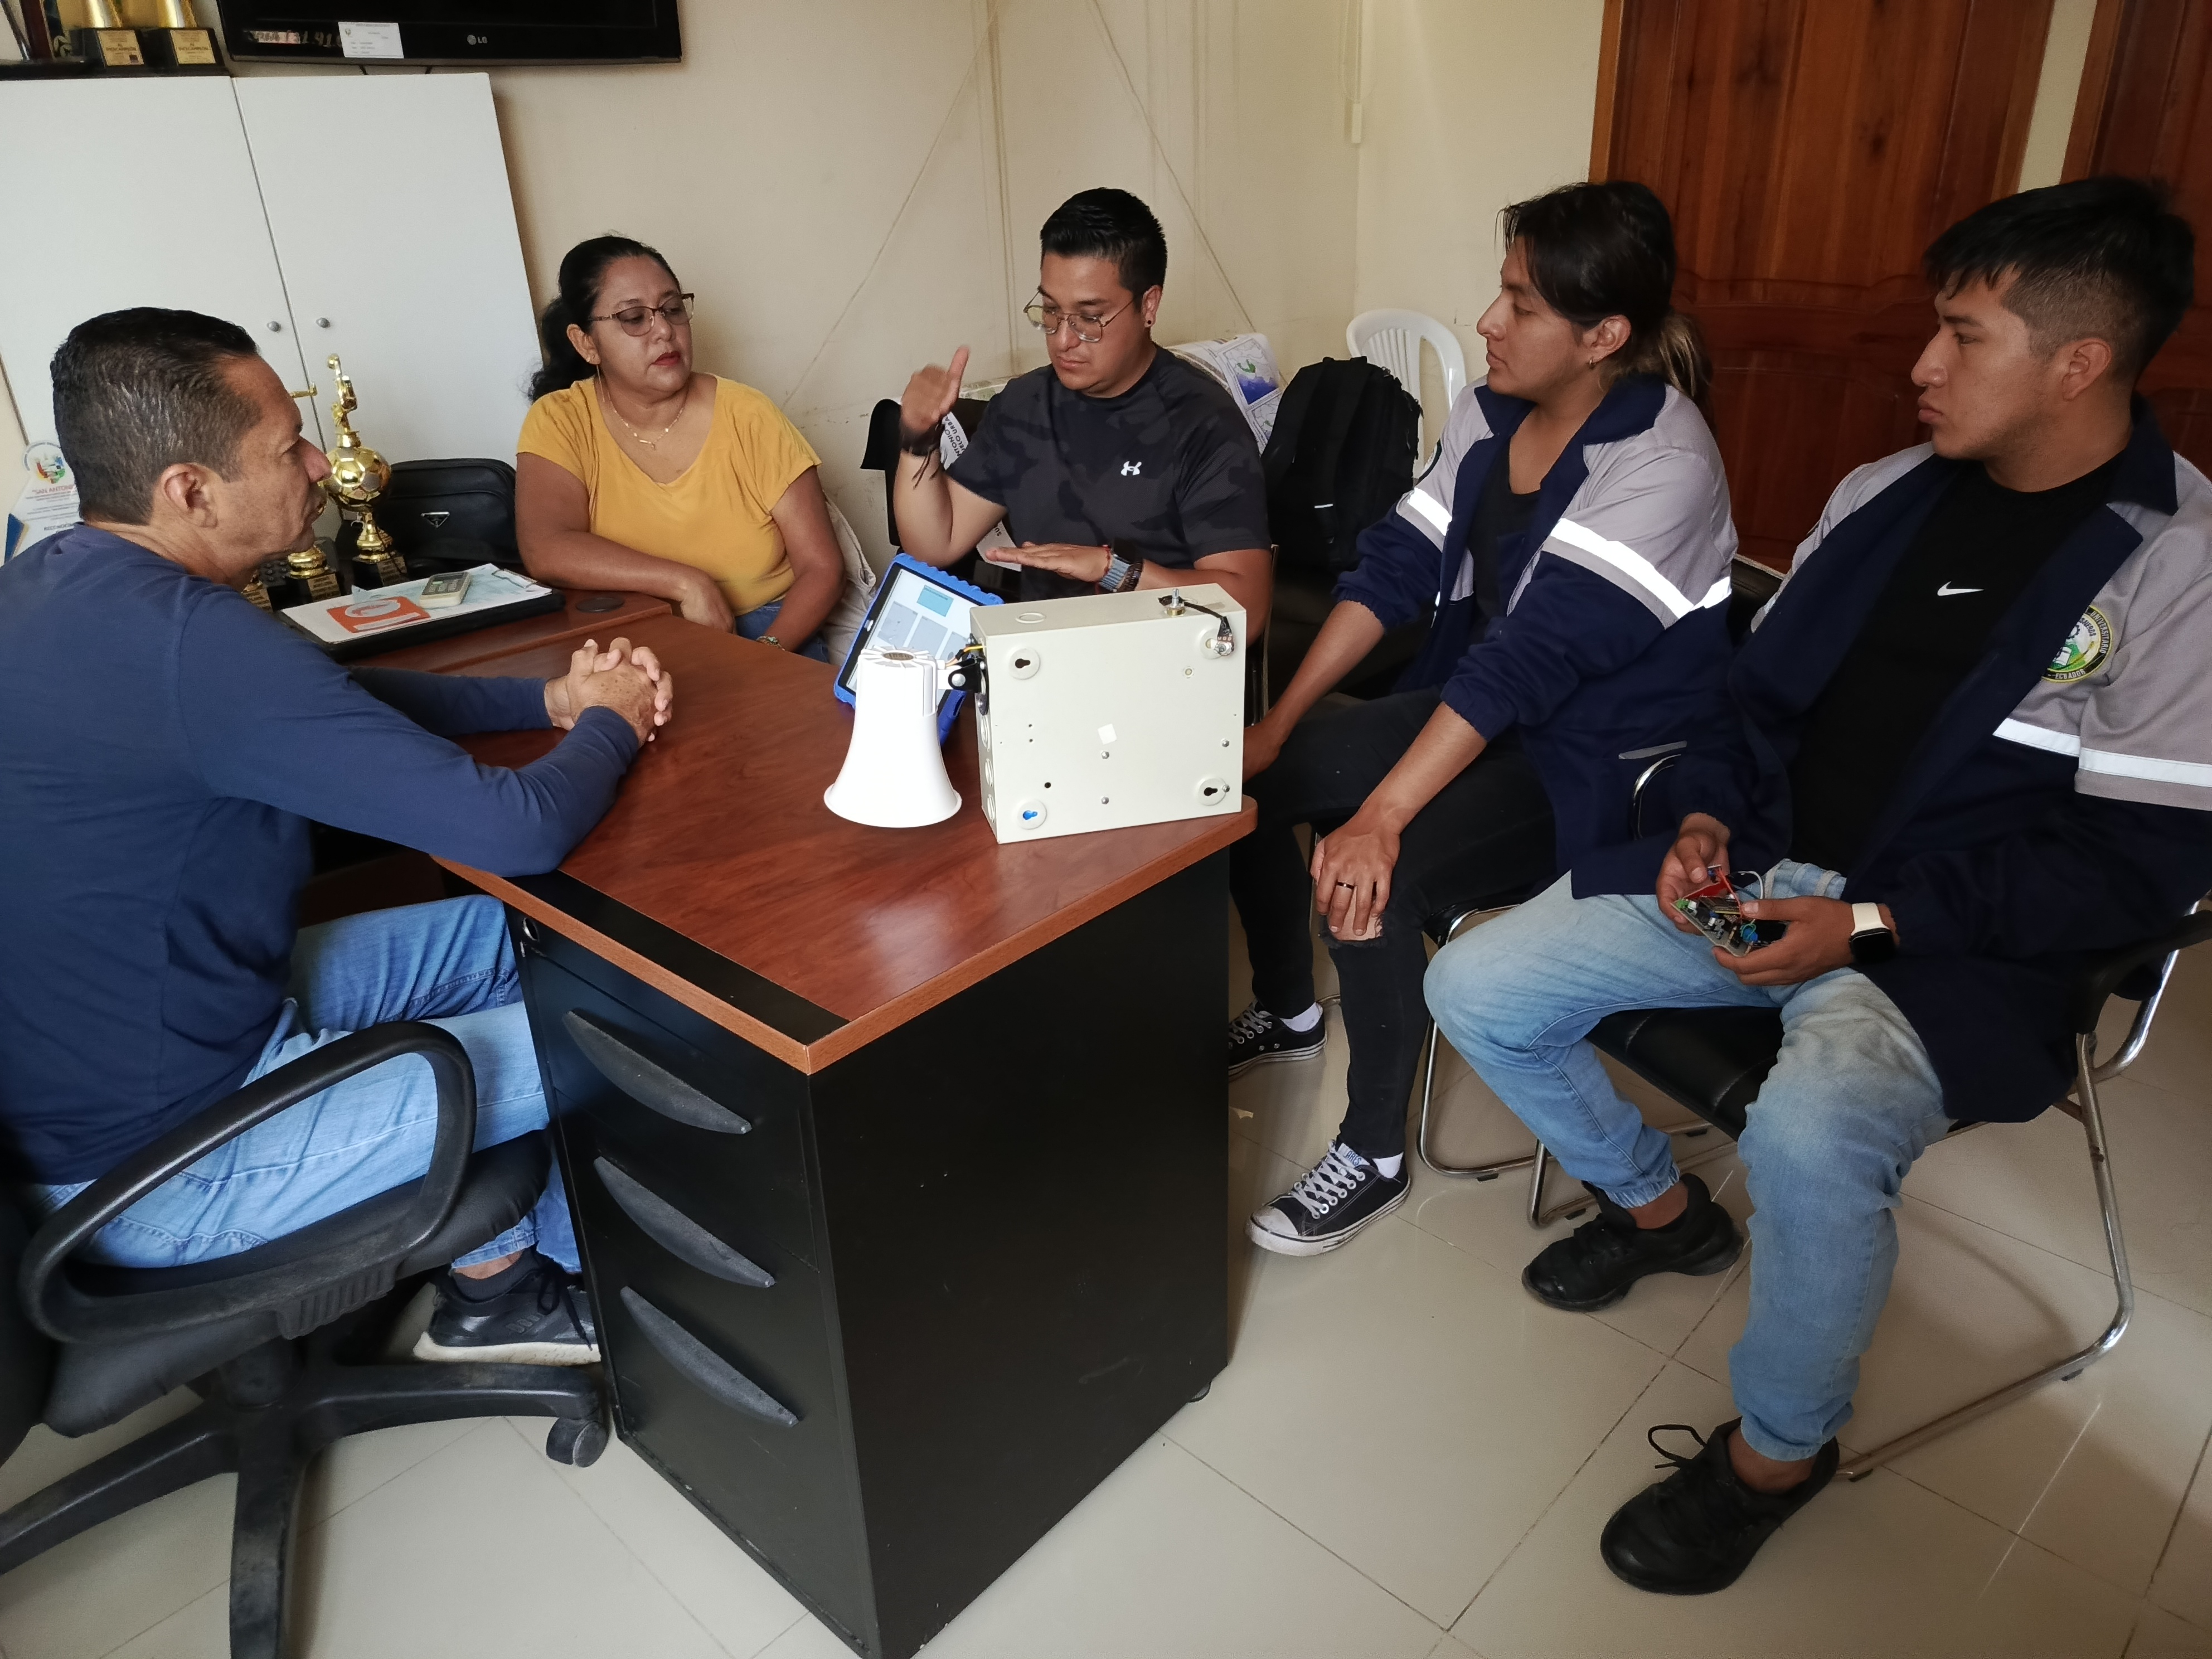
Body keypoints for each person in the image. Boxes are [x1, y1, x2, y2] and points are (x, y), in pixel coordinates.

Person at [1425, 177, 2211, 1593]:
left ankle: (1776, 1456)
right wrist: (1701, 812)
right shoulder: (1883, 494)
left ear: (2077, 363)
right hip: (1764, 874)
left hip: (1941, 942)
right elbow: (1747, 706)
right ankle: (1662, 1213)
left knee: (1805, 1132)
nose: (1920, 365)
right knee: (1472, 983)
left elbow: (2135, 869)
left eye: (1961, 336)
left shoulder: (2176, 572)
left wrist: (1864, 924)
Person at [0, 308, 676, 1364]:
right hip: (156, 1171)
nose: (321, 464)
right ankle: (535, 1292)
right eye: (288, 449)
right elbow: (517, 829)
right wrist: (612, 722)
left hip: (184, 1030)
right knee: (624, 1037)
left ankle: (494, 1278)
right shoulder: (189, 640)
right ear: (190, 491)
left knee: (556, 948)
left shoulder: (54, 578)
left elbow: (325, 698)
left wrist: (547, 700)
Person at [1232, 181, 1739, 1256]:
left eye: (1520, 304)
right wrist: (1277, 723)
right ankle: (1288, 1007)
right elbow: (1395, 568)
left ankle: (1372, 1153)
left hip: (1598, 764)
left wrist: (1380, 816)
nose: (1486, 321)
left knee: (1375, 869)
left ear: (1603, 334)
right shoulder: (1489, 410)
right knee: (1254, 777)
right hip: (1493, 710)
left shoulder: (1662, 461)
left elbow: (1534, 657)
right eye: (1499, 290)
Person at [890, 187, 1272, 625]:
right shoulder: (1024, 405)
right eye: (1051, 311)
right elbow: (935, 545)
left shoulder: (1202, 424)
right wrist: (918, 438)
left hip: (1160, 658)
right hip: (1042, 654)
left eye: (1090, 318)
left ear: (1148, 305)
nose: (1064, 338)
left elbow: (1247, 610)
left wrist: (1114, 571)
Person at [515, 234, 845, 659]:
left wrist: (763, 654)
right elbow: (546, 546)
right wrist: (686, 582)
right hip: (630, 638)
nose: (665, 331)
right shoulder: (561, 420)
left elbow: (823, 569)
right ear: (587, 344)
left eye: (672, 309)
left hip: (772, 631)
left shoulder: (749, 415)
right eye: (634, 318)